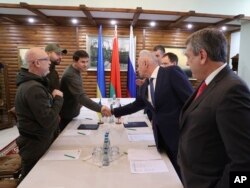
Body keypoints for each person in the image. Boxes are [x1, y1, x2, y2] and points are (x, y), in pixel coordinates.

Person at [178, 28, 250, 188]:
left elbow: (244, 161)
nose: (187, 63)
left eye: (188, 57)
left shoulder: (232, 89)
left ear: (202, 56)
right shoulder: (209, 82)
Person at [112, 50, 193, 178]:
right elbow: (137, 105)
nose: (137, 69)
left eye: (138, 66)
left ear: (145, 63)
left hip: (179, 137)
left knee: (183, 175)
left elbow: (191, 102)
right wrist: (113, 112)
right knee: (170, 175)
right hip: (160, 137)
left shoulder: (171, 73)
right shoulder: (145, 85)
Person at [15, 47, 64, 181]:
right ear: (36, 63)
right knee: (32, 180)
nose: (49, 63)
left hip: (36, 140)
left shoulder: (33, 83)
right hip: (35, 145)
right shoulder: (33, 87)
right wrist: (58, 99)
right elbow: (48, 120)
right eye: (46, 60)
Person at [59, 50, 111, 131]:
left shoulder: (75, 70)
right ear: (75, 61)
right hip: (68, 115)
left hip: (73, 111)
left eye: (87, 61)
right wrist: (101, 108)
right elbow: (80, 96)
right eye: (82, 62)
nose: (86, 65)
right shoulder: (71, 75)